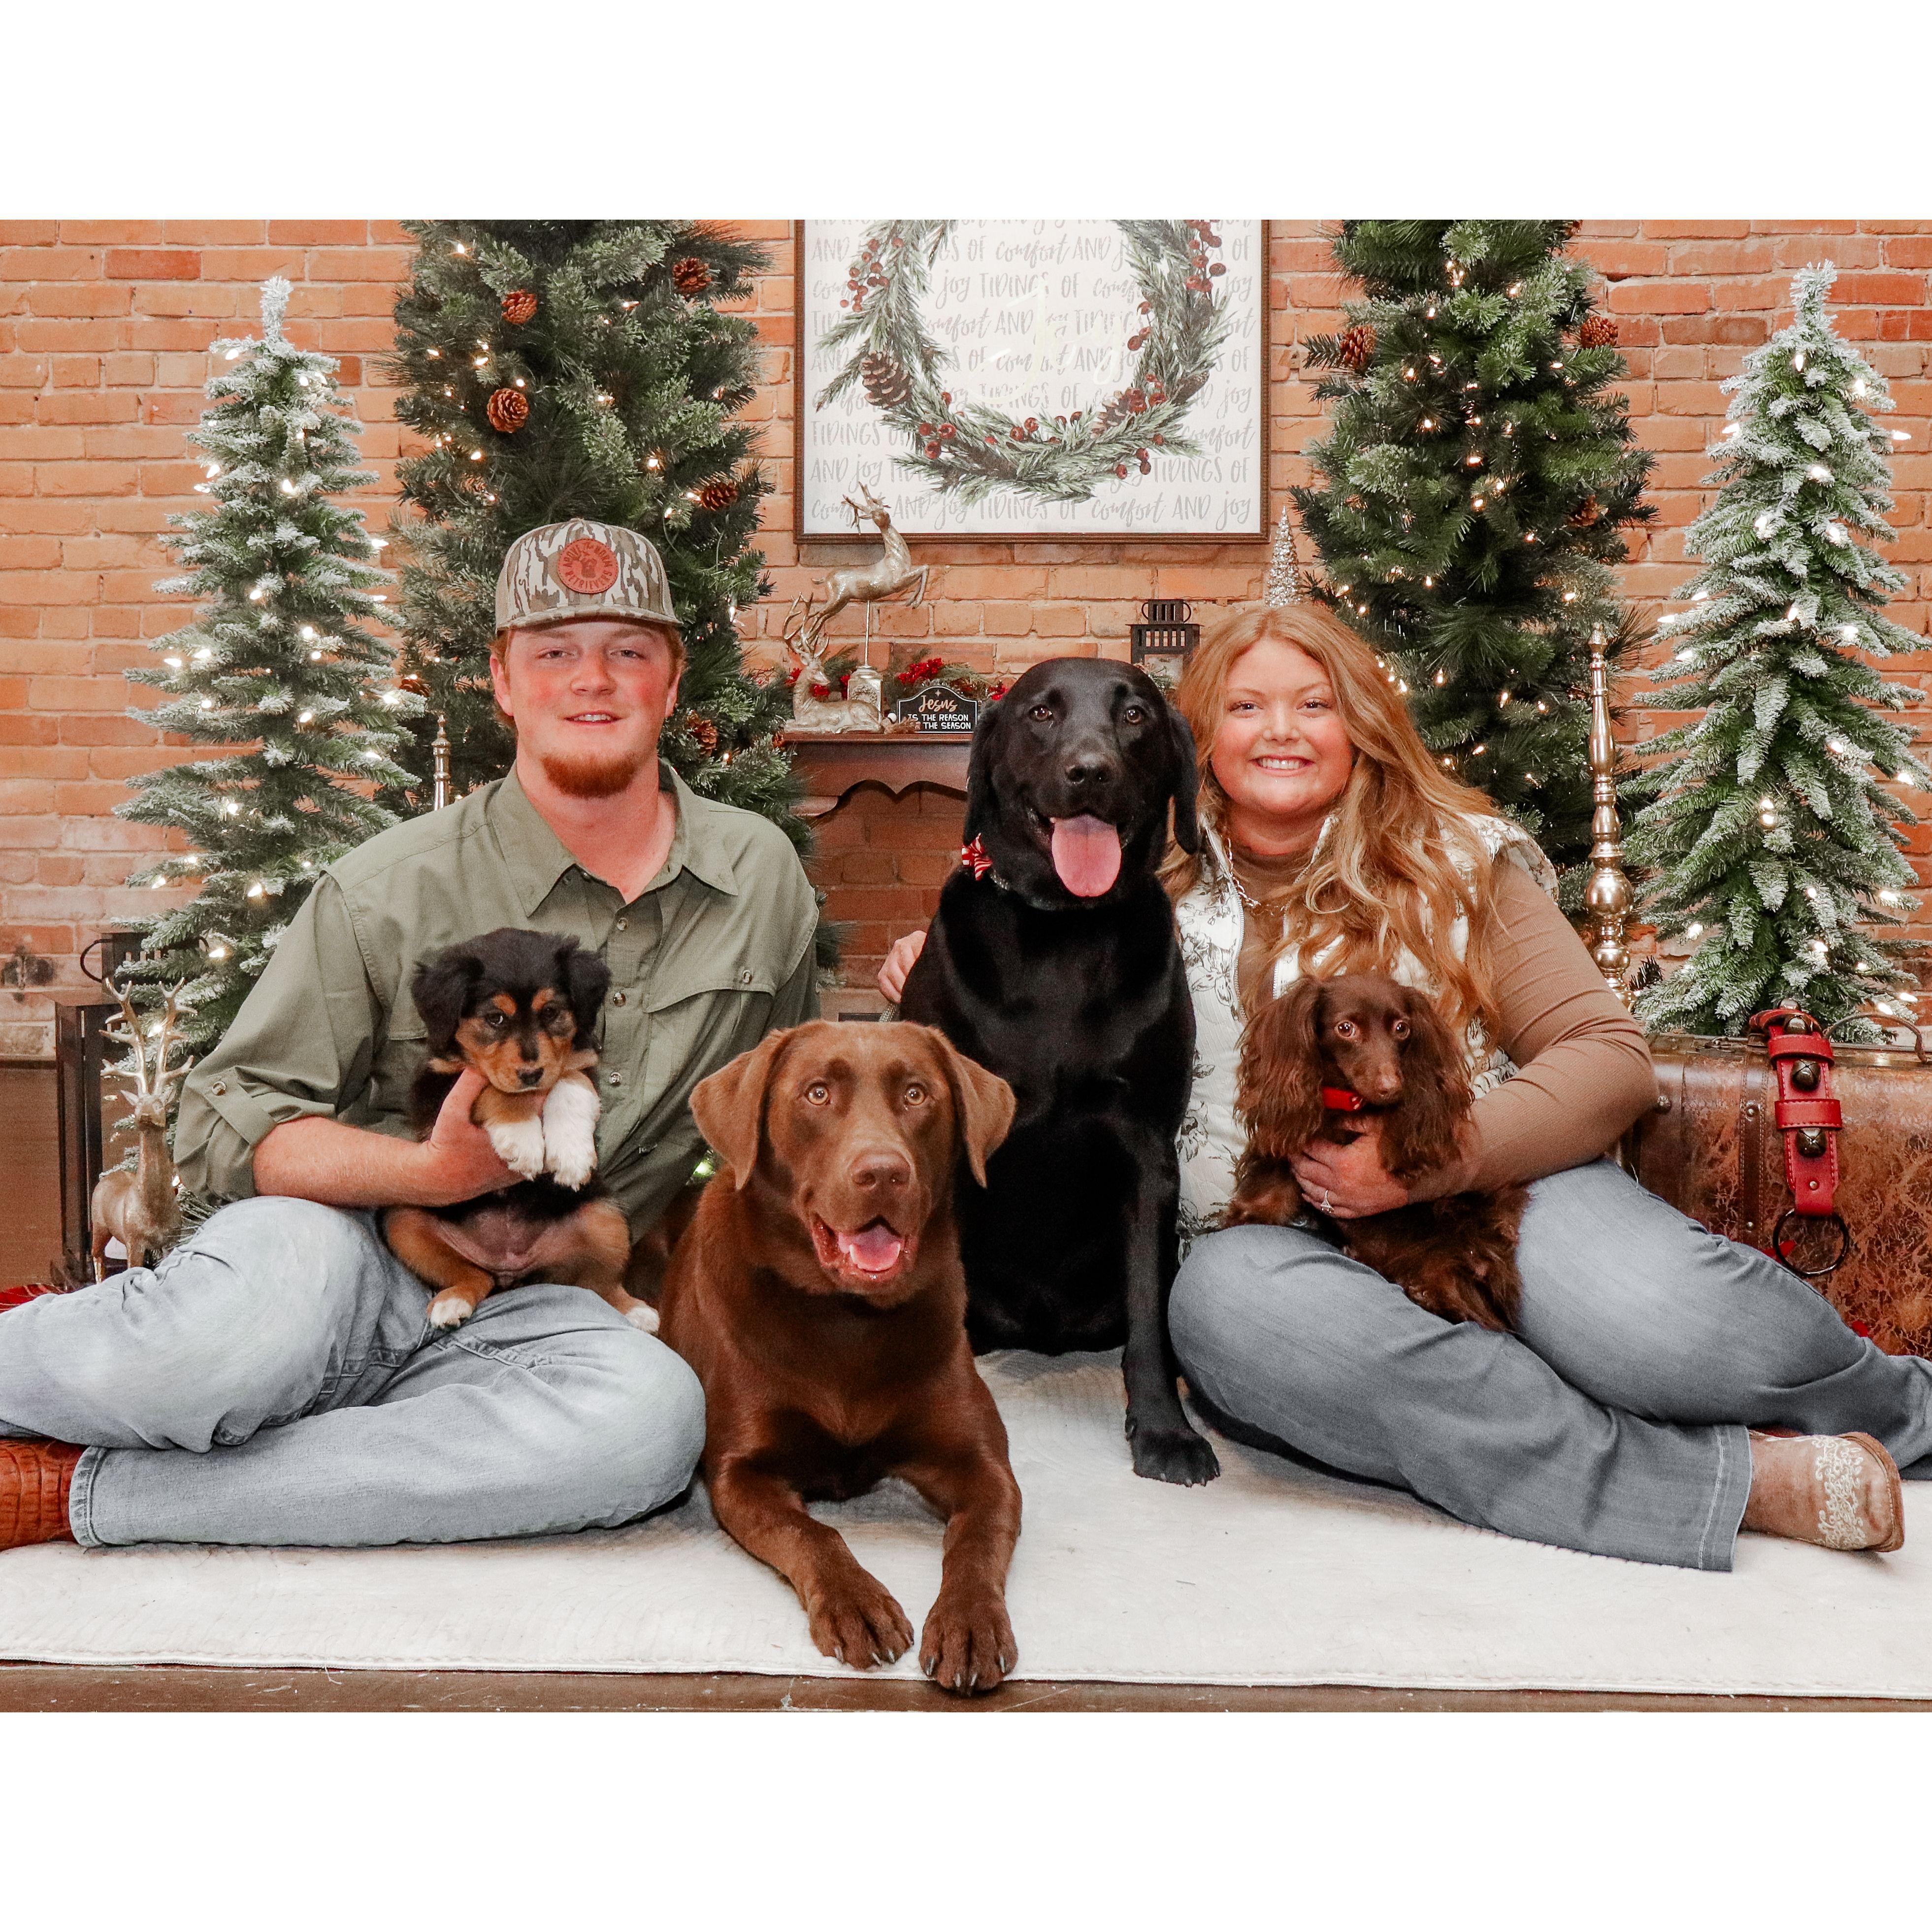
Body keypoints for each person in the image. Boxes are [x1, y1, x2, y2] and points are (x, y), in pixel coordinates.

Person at [881, 604, 1931, 1567]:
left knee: (1660, 1321)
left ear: (1363, 725)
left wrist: (1436, 1163)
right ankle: (1732, 1482)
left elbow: (1609, 1056)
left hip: (1493, 1193)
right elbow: (1017, 956)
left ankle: (1908, 1413)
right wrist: (933, 968)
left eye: (1314, 704)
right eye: (1245, 708)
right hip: (1272, 1246)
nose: (1281, 731)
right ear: (1195, 748)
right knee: (1236, 1318)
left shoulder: (1459, 861)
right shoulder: (1130, 884)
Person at [0, 519, 819, 1553]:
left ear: (672, 677)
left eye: (628, 649)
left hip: (548, 1284)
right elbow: (223, 1126)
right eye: (554, 651)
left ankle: (87, 1493)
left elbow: (785, 1133)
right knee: (215, 1350)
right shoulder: (387, 888)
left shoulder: (760, 880)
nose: (593, 679)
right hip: (345, 1249)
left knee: (648, 1428)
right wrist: (432, 1174)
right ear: (503, 681)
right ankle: (255, 1398)